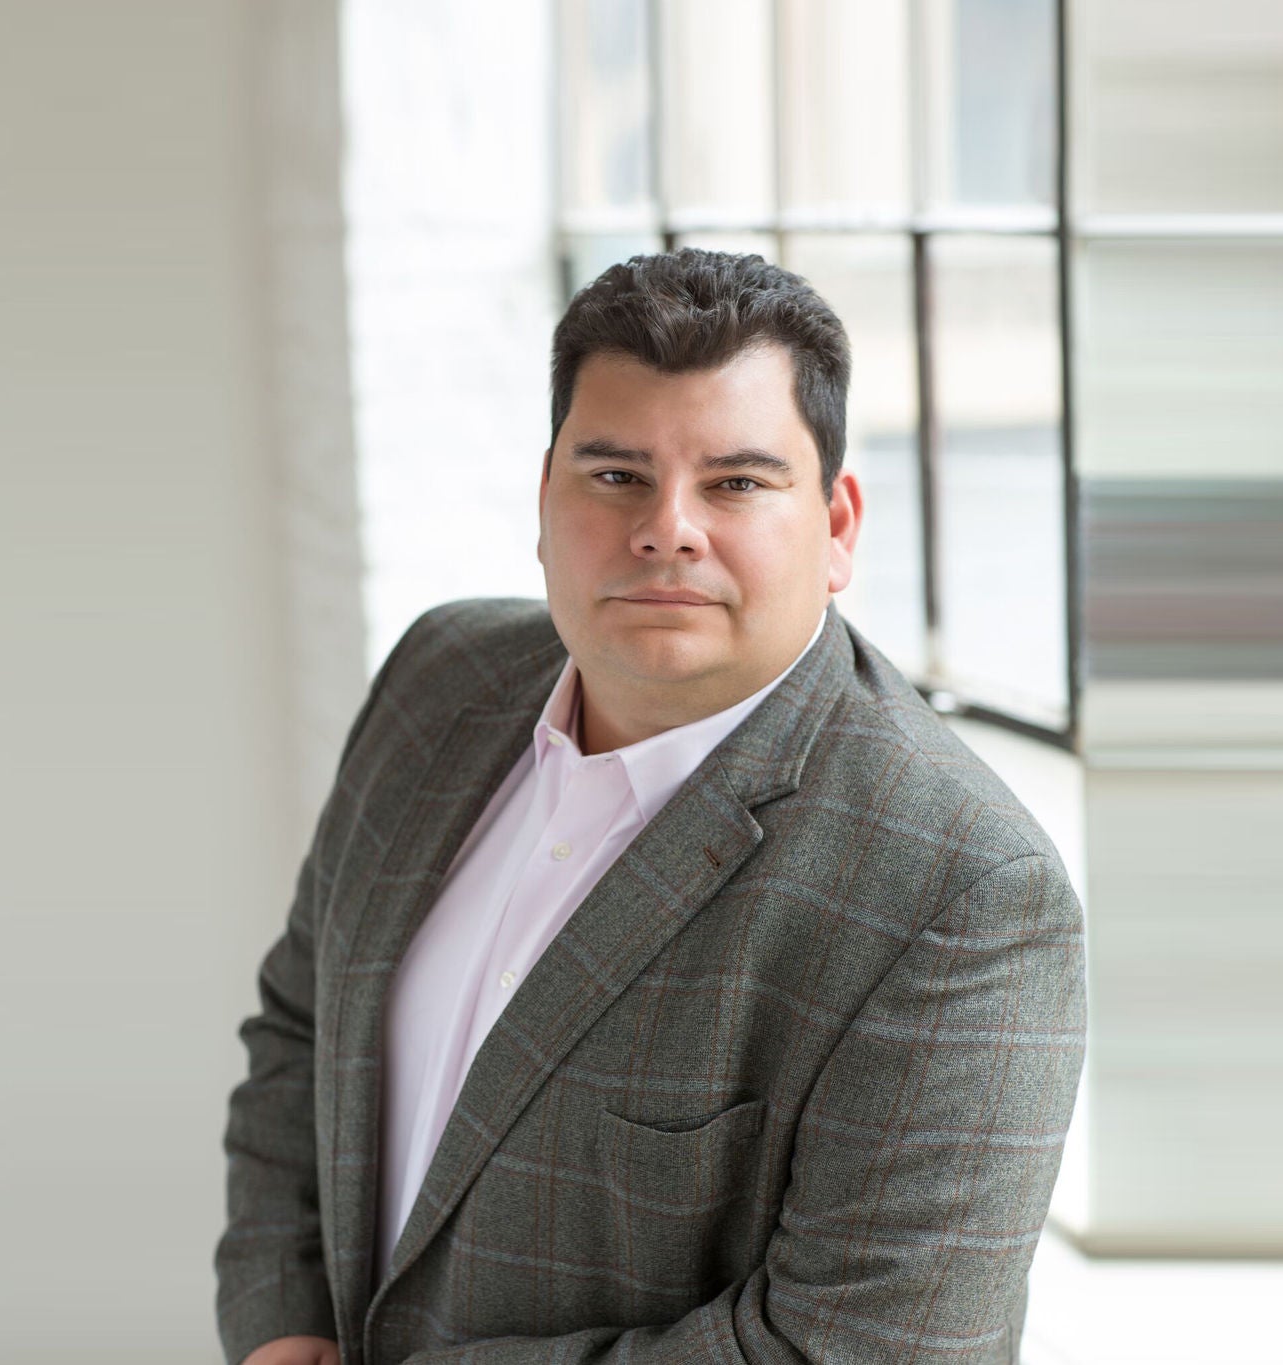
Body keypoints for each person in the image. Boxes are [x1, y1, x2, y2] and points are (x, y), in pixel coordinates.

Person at [216, 249, 1087, 1365]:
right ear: (545, 498)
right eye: (617, 474)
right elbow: (300, 1029)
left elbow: (865, 1351)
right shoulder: (437, 678)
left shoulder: (964, 890)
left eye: (736, 483)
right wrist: (280, 1326)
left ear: (838, 528)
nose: (667, 528)